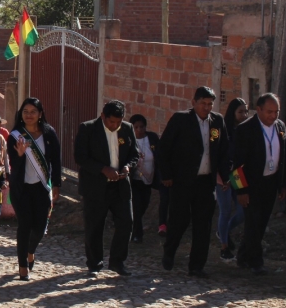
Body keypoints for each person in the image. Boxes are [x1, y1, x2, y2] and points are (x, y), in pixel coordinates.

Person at [158, 87, 230, 278]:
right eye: (203, 103)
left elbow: (224, 150)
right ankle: (169, 252)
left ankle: (197, 265)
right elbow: (164, 148)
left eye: (210, 104)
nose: (206, 107)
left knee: (203, 224)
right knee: (179, 220)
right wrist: (166, 175)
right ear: (194, 102)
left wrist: (225, 175)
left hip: (206, 181)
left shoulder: (217, 121)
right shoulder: (181, 120)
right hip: (182, 181)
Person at [74, 100, 140, 276]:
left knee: (126, 222)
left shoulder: (127, 129)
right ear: (103, 116)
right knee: (94, 226)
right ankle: (94, 263)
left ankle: (117, 261)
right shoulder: (88, 129)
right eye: (111, 122)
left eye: (118, 122)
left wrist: (127, 167)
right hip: (95, 186)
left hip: (120, 186)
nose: (115, 125)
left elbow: (134, 154)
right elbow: (80, 157)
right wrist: (103, 169)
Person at [231, 93, 286, 274]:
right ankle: (256, 262)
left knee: (261, 222)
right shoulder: (245, 130)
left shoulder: (280, 127)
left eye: (276, 112)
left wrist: (283, 184)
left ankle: (243, 256)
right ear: (259, 110)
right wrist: (240, 190)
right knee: (253, 222)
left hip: (270, 182)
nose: (273, 116)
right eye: (269, 112)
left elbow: (285, 156)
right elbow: (235, 164)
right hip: (251, 184)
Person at [7, 98, 61, 280]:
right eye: (25, 112)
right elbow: (14, 164)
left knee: (39, 226)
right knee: (24, 225)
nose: (29, 115)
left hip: (41, 187)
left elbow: (56, 160)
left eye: (33, 112)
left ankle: (31, 250)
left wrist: (57, 184)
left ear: (40, 114)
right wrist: (20, 155)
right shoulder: (15, 135)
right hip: (21, 188)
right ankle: (23, 266)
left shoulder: (49, 133)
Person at [217, 98, 249, 259]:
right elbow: (215, 153)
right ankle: (224, 246)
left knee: (242, 211)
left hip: (237, 174)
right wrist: (219, 176)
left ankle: (223, 231)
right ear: (233, 113)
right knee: (225, 210)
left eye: (246, 111)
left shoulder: (246, 130)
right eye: (240, 112)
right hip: (223, 174)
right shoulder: (222, 130)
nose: (244, 115)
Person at [129, 114, 161, 244]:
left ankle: (132, 225)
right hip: (134, 179)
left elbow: (159, 154)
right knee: (136, 206)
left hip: (148, 179)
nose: (139, 130)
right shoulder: (129, 141)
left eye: (142, 127)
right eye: (136, 127)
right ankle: (137, 234)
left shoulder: (152, 138)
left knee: (144, 204)